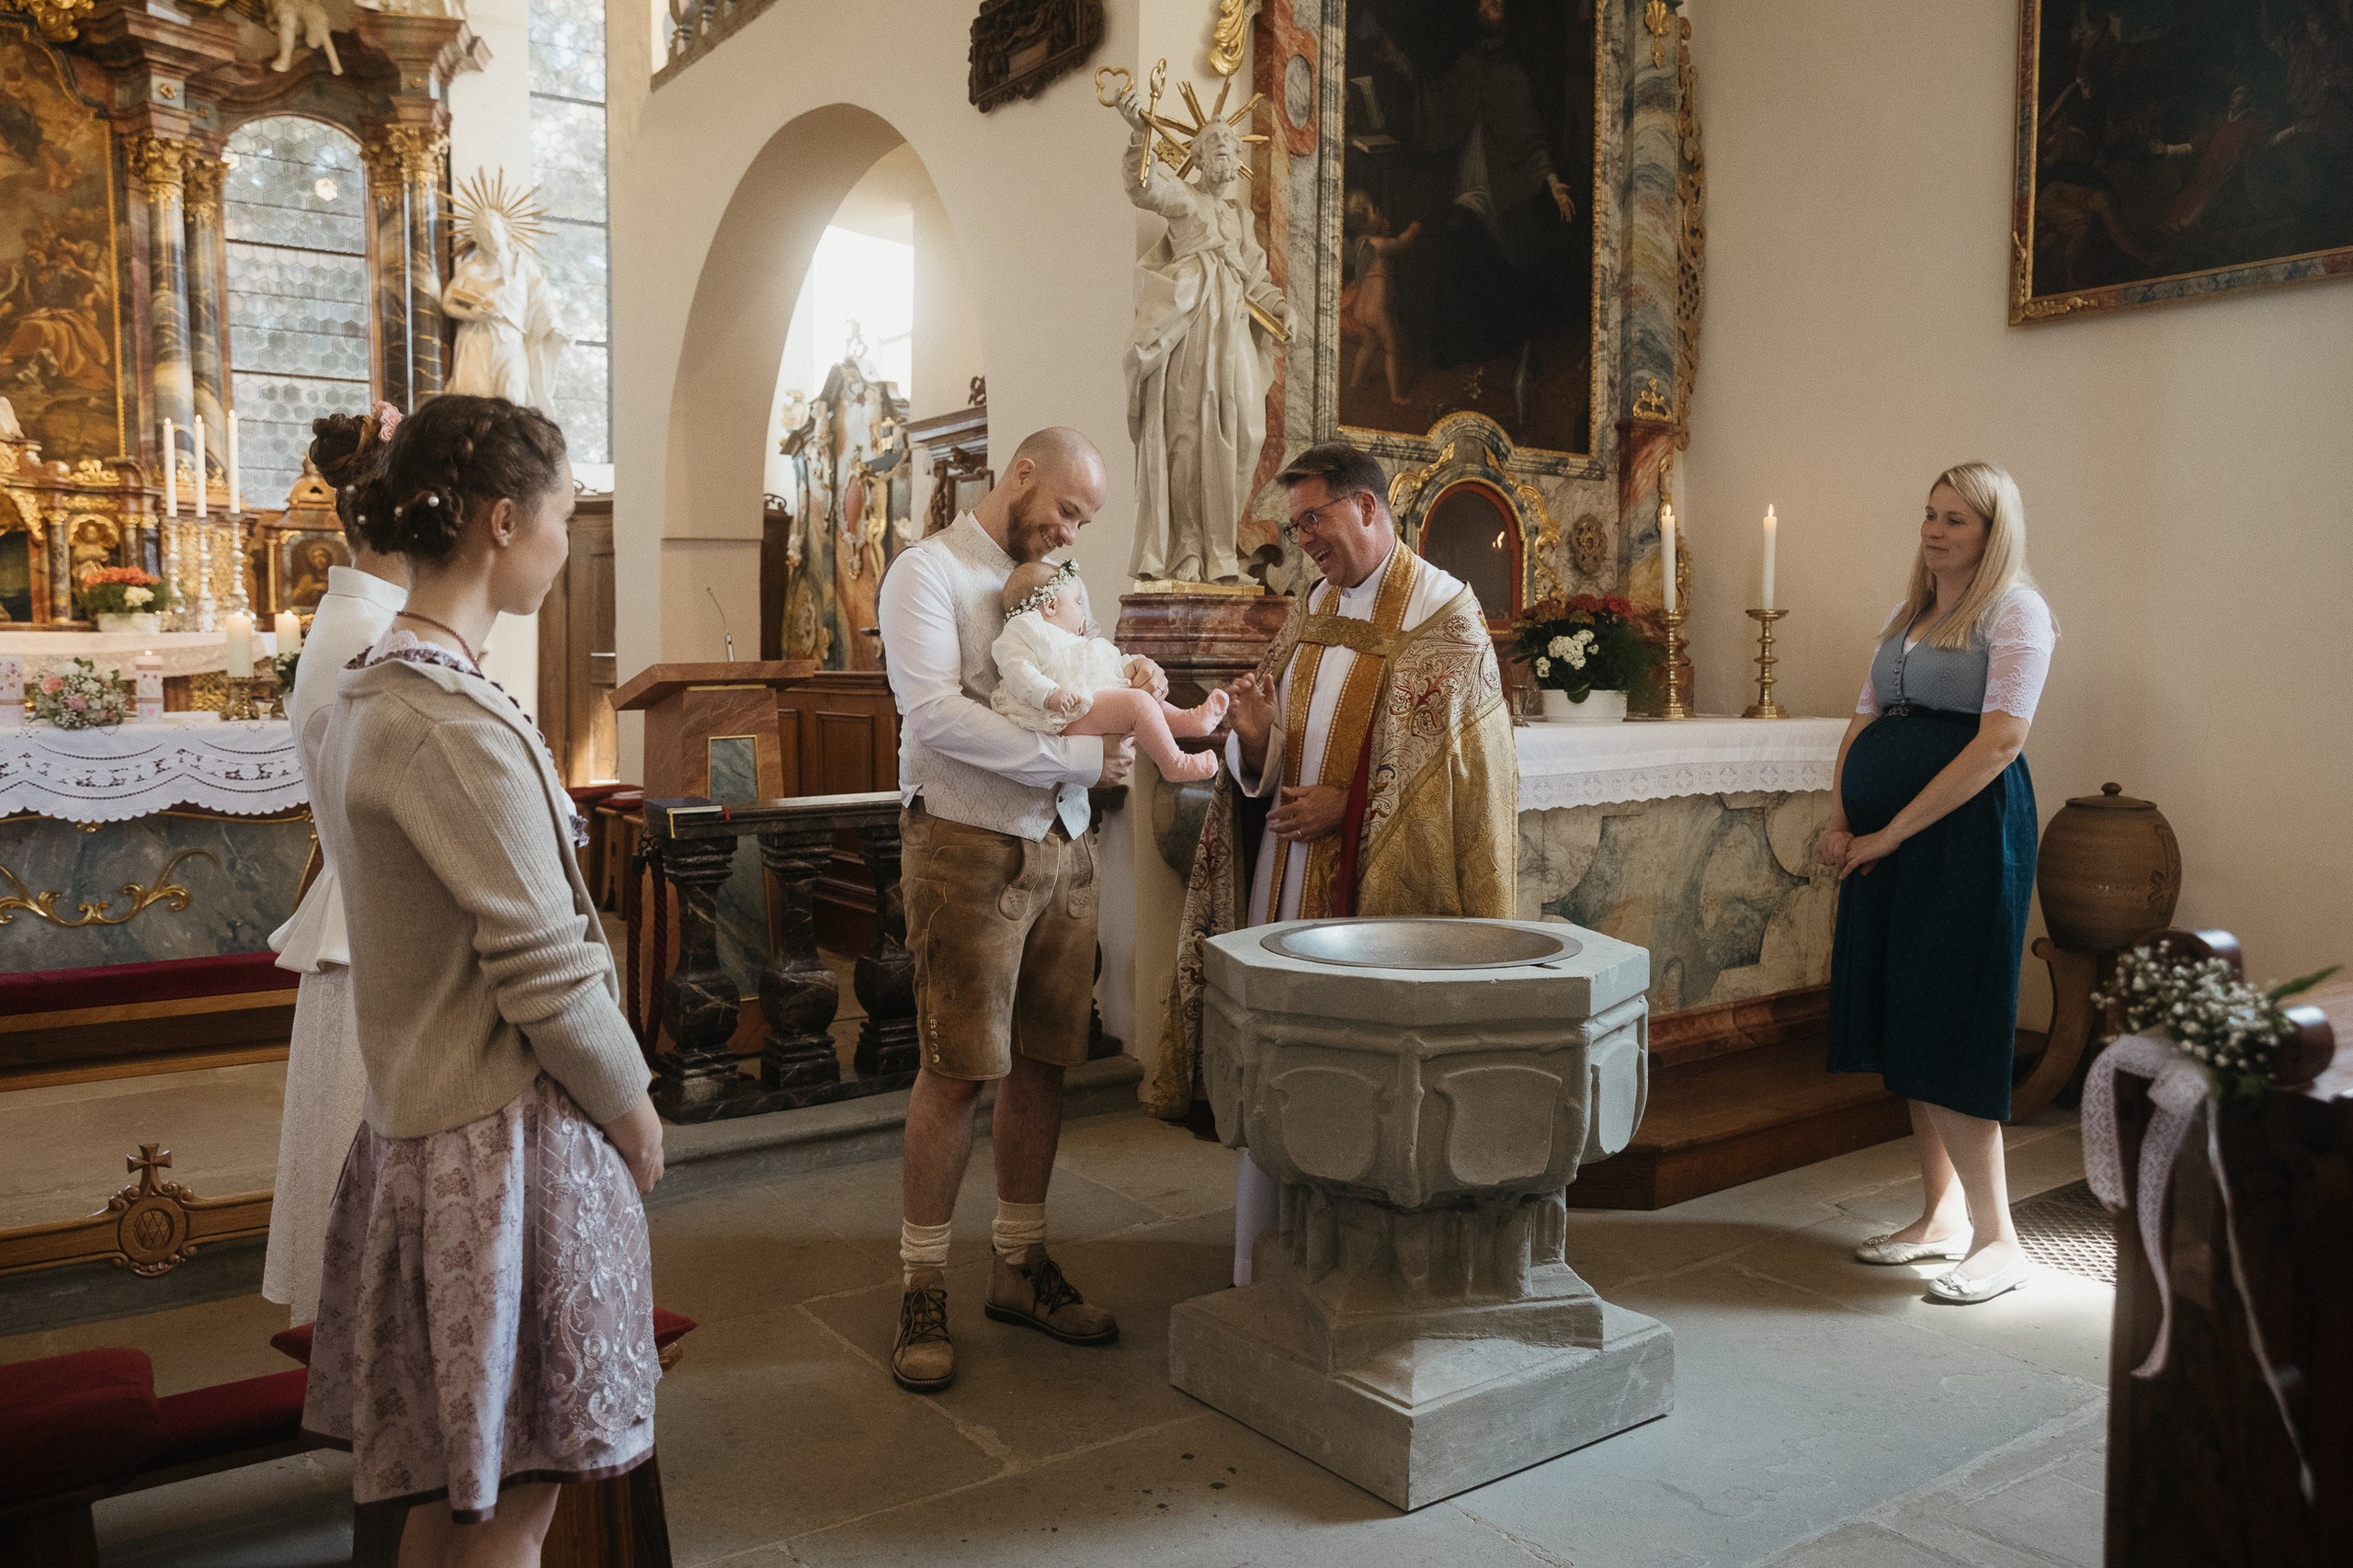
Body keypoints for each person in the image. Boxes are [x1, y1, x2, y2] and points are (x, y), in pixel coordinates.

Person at [300, 395, 665, 1563]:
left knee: (460, 1482)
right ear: (505, 521)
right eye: (562, 518)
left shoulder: (383, 686)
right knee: (516, 1495)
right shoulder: (439, 718)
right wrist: (632, 1103)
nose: (566, 546)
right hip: (497, 1151)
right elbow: (545, 962)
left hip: (436, 1128)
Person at [1148, 440, 1518, 1286]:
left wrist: (1347, 807)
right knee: (1282, 1054)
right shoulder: (1315, 606)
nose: (1303, 538)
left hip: (1366, 900)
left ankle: (1352, 1261)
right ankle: (1262, 1255)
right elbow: (1281, 747)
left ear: (1369, 508)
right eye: (1296, 523)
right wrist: (1253, 739)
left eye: (1313, 518)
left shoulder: (1443, 617)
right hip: (1286, 876)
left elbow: (1450, 786)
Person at [875, 427, 1156, 1392]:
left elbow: (1081, 684)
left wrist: (1132, 695)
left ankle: (1019, 1262)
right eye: (1067, 509)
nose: (1072, 532)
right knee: (955, 1071)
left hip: (1064, 844)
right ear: (1023, 472)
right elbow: (936, 715)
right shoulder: (928, 572)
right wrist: (1079, 757)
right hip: (964, 844)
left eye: (1084, 521)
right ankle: (921, 1283)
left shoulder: (1055, 581)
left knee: (1045, 1060)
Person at [1823, 461, 2057, 1306]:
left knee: (1951, 1013)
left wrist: (1890, 829)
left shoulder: (2016, 611)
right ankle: (1940, 1217)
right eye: (1930, 513)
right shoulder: (1909, 617)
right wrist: (1844, 817)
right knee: (1907, 1010)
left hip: (1964, 837)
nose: (1935, 529)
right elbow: (1864, 719)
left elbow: (1999, 742)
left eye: (1957, 519)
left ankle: (2000, 1240)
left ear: (1994, 535)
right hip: (1888, 838)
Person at [258, 404, 409, 1327]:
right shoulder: (372, 640)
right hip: (379, 948)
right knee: (378, 1220)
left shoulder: (359, 615)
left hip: (364, 933)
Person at [991, 557, 1229, 783]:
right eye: (1077, 602)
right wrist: (1049, 694)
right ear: (1051, 605)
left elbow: (1105, 665)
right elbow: (1017, 669)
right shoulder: (1027, 628)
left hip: (1085, 703)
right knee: (1137, 704)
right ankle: (1174, 764)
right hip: (1063, 715)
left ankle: (1190, 722)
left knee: (1141, 694)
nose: (1083, 611)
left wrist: (1133, 666)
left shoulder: (1072, 641)